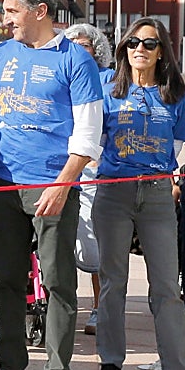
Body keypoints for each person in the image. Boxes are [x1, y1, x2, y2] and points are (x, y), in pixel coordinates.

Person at [0, 0, 103, 370]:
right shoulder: (2, 54)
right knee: (7, 280)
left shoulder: (75, 60)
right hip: (4, 183)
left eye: (11, 11)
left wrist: (64, 185)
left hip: (53, 185)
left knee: (58, 281)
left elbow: (88, 131)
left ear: (39, 12)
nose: (4, 20)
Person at [92, 17, 185, 370]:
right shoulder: (106, 88)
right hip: (113, 193)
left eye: (149, 44)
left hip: (158, 194)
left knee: (165, 284)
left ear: (162, 51)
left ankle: (177, 368)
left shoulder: (176, 95)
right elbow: (92, 138)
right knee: (114, 281)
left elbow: (179, 147)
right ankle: (111, 364)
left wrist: (171, 181)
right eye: (133, 43)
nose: (140, 50)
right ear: (123, 49)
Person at [64, 22, 114, 335]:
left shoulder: (108, 81)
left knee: (96, 250)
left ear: (97, 51)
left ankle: (100, 308)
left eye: (84, 46)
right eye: (72, 46)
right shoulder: (58, 74)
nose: (78, 52)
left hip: (95, 174)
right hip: (56, 171)